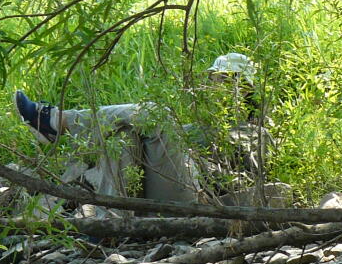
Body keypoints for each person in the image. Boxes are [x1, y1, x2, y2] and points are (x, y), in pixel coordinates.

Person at [14, 53, 259, 204]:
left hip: (196, 199)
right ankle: (111, 222)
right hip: (159, 195)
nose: (213, 88)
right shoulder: (199, 125)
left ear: (246, 90)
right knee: (125, 133)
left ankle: (60, 121)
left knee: (156, 114)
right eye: (212, 81)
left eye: (224, 81)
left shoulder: (256, 134)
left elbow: (244, 183)